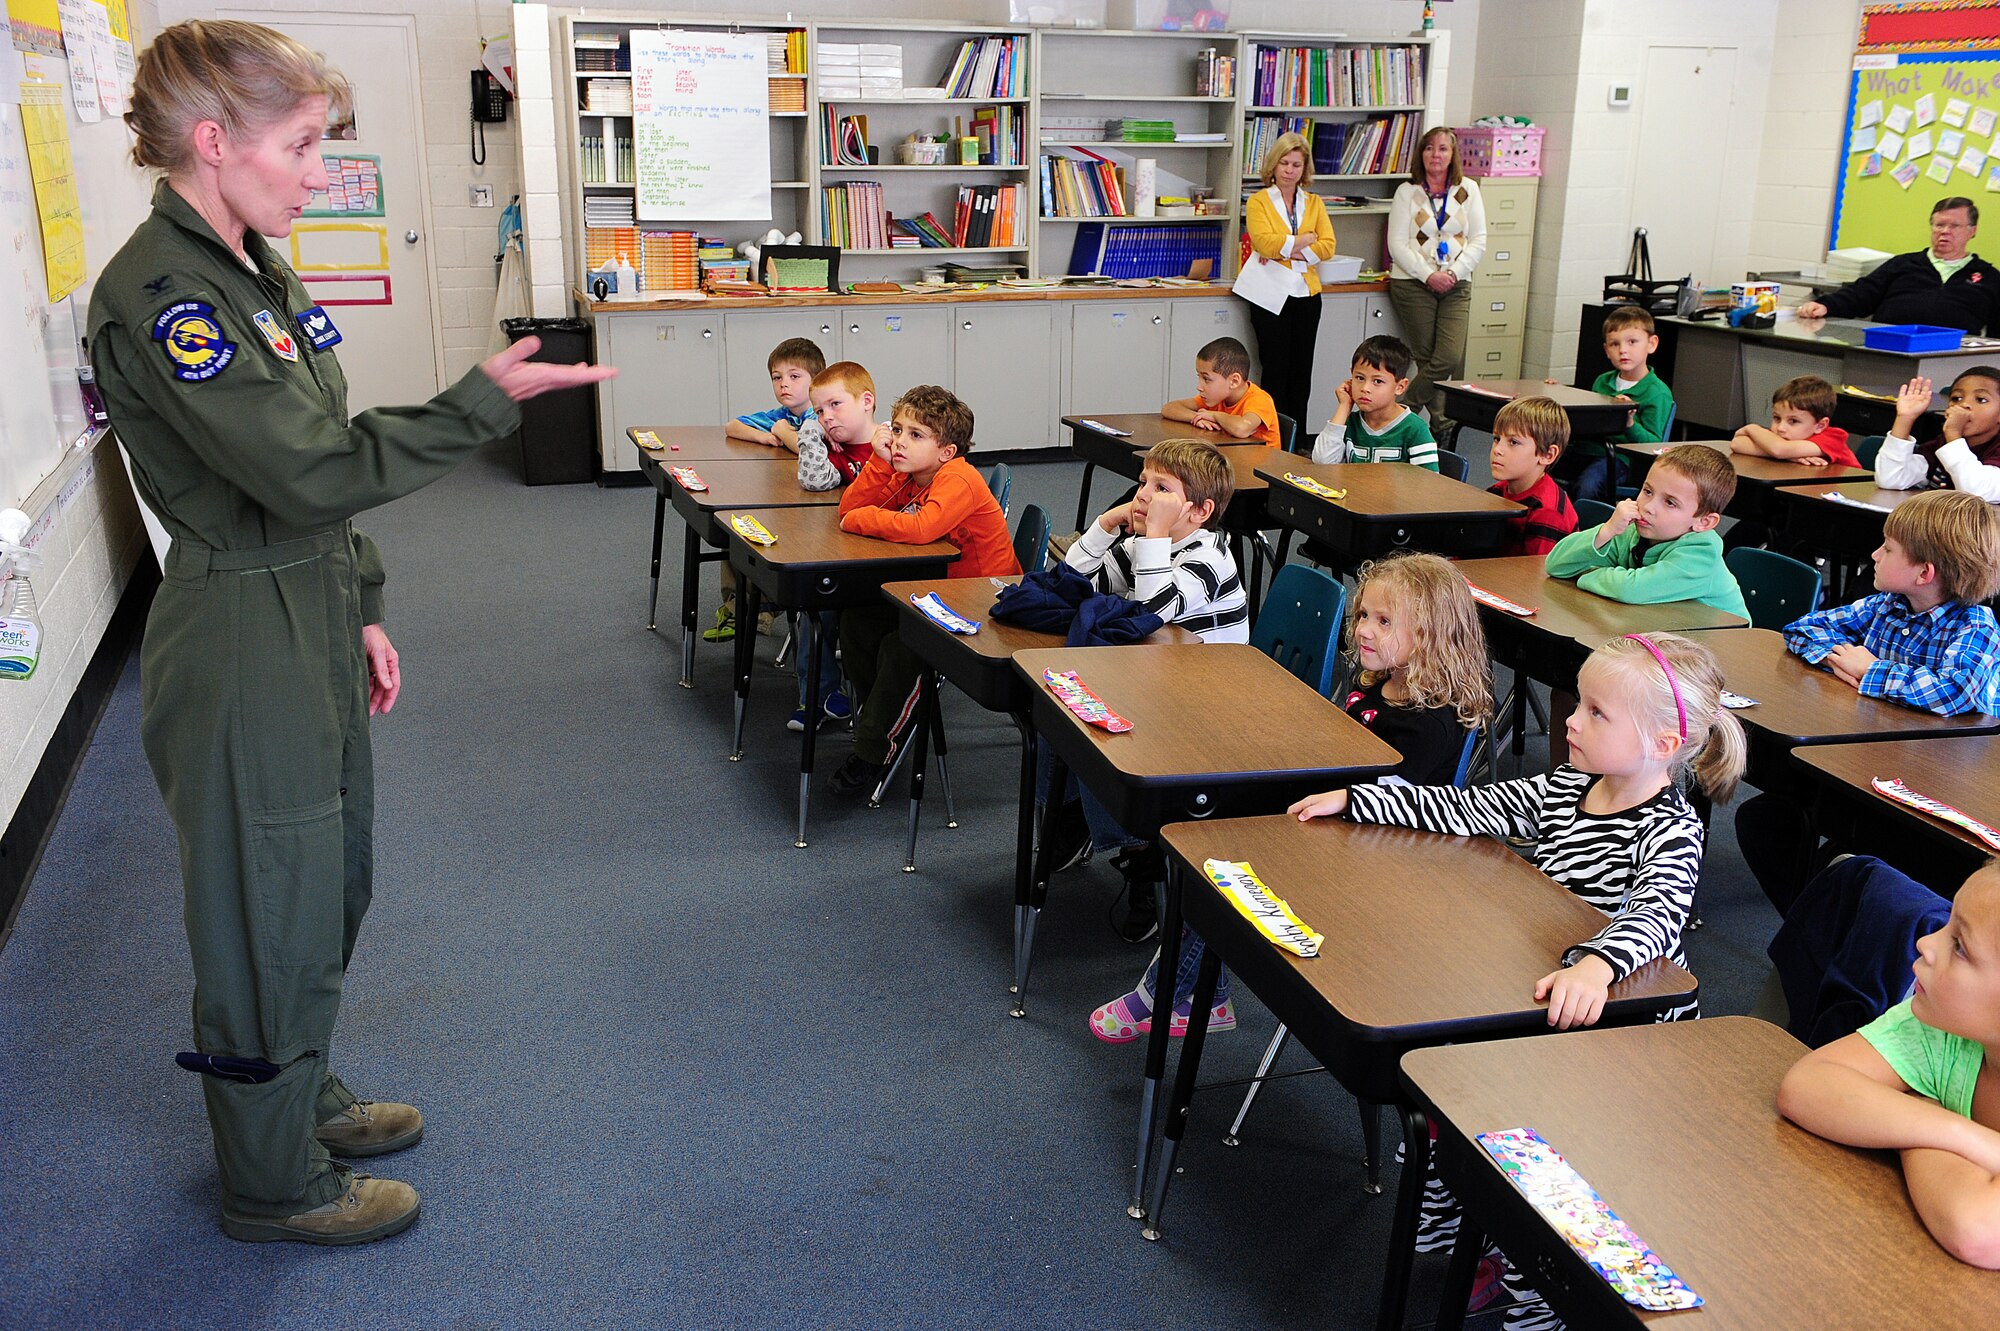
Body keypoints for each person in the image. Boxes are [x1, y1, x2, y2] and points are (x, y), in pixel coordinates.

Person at [86, 20, 614, 1245]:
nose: (320, 171)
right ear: (214, 143)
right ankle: (270, 1180)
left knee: (328, 878)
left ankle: (298, 1086)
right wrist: (482, 402)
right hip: (238, 629)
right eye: (303, 143)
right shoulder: (168, 295)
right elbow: (311, 467)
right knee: (266, 900)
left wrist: (362, 601)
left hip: (306, 599)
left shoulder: (252, 264)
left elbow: (307, 478)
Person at [1292, 632, 1743, 1326]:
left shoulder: (1671, 830)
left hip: (1619, 1036)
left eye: (1596, 713)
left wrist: (1597, 962)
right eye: (1579, 705)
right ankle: (1468, 1235)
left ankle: (1537, 1286)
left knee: (1545, 1166)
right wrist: (1362, 799)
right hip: (1537, 997)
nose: (1570, 721)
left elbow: (1656, 916)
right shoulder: (1571, 785)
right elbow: (1472, 810)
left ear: (1661, 742)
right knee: (1450, 1090)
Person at [1091, 553, 1491, 1043]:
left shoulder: (1432, 723)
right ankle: (1209, 997)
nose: (1364, 629)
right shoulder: (1381, 686)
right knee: (1203, 833)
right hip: (1332, 822)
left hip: (1379, 857)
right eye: (1364, 615)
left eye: (1385, 622)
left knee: (1223, 864)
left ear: (1432, 635)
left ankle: (1163, 993)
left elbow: (1389, 801)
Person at [1738, 491, 2000, 913]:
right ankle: (1816, 928)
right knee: (1762, 820)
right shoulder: (1887, 605)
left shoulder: (1975, 624)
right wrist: (1837, 657)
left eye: (1888, 548)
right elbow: (1803, 628)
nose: (1874, 554)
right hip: (1870, 758)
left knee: (1874, 864)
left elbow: (1956, 691)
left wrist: (1869, 671)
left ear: (1924, 572)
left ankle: (1834, 928)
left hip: (1940, 784)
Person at [1042, 437, 1249, 935]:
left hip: (1205, 708)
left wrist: (1152, 534)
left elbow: (1154, 611)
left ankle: (1142, 852)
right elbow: (1068, 586)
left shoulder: (1209, 558)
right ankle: (1073, 815)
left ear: (1199, 511)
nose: (1143, 495)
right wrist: (1103, 527)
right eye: (1142, 484)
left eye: (1161, 488)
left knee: (1100, 730)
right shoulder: (1143, 544)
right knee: (1058, 706)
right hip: (1154, 686)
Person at [1777, 859, 2000, 1269]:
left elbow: (1978, 1230)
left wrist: (1903, 1116)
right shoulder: (1943, 1027)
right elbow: (1806, 1085)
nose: (1926, 942)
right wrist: (1957, 1132)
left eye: (1959, 947)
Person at [832, 386, 1019, 795]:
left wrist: (864, 519)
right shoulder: (910, 473)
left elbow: (920, 528)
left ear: (946, 451)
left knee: (905, 647)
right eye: (897, 429)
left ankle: (875, 747)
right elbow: (849, 509)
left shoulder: (959, 478)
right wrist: (882, 466)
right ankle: (878, 722)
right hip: (936, 591)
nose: (898, 441)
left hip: (982, 602)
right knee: (857, 620)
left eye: (915, 435)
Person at [783, 360, 888, 731]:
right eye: (819, 411)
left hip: (890, 561)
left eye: (835, 405)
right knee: (811, 604)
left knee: (822, 605)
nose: (827, 417)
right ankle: (823, 696)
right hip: (851, 549)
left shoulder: (892, 445)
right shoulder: (836, 449)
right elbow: (814, 481)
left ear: (867, 401)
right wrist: (811, 432)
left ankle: (830, 695)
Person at [1543, 443, 1749, 621]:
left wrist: (1588, 574)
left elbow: (1630, 590)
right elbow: (1556, 565)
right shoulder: (1632, 530)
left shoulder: (1702, 553)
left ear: (1704, 522)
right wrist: (1607, 531)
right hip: (1666, 632)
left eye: (1670, 502)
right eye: (1647, 491)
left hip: (1723, 650)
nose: (1649, 506)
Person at [712, 337, 825, 642]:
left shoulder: (820, 415)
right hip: (788, 495)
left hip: (818, 506)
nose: (784, 385)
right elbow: (732, 426)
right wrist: (764, 437)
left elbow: (807, 450)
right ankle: (741, 609)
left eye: (794, 377)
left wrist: (781, 432)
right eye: (777, 378)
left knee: (763, 534)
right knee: (735, 523)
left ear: (816, 382)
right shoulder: (782, 414)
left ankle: (759, 610)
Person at [1386, 127, 1488, 451]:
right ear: (1421, 154)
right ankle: (1442, 431)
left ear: (1452, 154)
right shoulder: (1407, 192)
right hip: (1413, 283)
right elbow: (1397, 243)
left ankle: (1403, 410)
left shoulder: (1468, 189)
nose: (1436, 155)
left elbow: (1479, 239)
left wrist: (1454, 273)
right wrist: (1428, 275)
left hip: (1457, 283)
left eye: (1443, 149)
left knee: (1448, 356)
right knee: (1428, 356)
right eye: (1429, 149)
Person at [1242, 132, 1339, 439]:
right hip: (1270, 294)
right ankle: (1273, 438)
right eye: (1284, 163)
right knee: (1274, 371)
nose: (1289, 170)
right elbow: (1262, 242)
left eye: (1296, 164)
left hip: (1307, 294)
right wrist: (1302, 241)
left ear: (1304, 168)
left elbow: (1329, 245)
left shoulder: (1313, 203)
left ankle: (1296, 441)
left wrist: (1291, 247)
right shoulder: (1258, 202)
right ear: (1273, 164)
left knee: (1301, 373)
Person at [1797, 197, 2000, 334]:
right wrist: (1826, 305)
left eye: (1954, 226)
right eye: (1939, 225)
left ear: (1972, 231)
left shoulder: (1989, 276)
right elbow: (1862, 294)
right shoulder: (1903, 264)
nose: (1945, 231)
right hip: (1889, 346)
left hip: (1952, 357)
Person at [1556, 306, 1675, 505]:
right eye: (1614, 344)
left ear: (1651, 344)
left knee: (1588, 485)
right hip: (1586, 450)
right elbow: (1588, 422)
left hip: (1619, 459)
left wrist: (1629, 423)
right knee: (1535, 463)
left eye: (1632, 342)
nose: (1623, 350)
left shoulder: (1657, 392)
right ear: (1606, 350)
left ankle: (1583, 532)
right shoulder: (1602, 381)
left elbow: (1653, 445)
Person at [1310, 335, 1439, 469]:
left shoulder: (1415, 429)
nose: (1365, 388)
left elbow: (1428, 483)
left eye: (1378, 381)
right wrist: (1344, 407)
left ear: (1400, 387)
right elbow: (1321, 462)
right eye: (1359, 378)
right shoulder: (1349, 423)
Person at [1876, 368, 2000, 499]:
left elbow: (1976, 493)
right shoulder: (1940, 445)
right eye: (1956, 398)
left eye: (1981, 400)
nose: (1964, 404)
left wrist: (1953, 434)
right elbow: (1890, 479)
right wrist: (1905, 418)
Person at [1487, 396, 1578, 557]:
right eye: (1497, 439)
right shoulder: (1497, 492)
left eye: (1513, 442)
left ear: (1547, 455)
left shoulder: (1547, 511)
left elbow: (1537, 576)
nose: (1498, 449)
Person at [1161, 336, 1280, 446]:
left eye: (1206, 379)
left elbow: (1242, 428)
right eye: (1199, 377)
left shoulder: (1259, 400)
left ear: (1234, 381)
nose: (1199, 387)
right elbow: (1169, 408)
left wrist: (1215, 415)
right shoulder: (1217, 398)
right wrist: (1197, 418)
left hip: (1259, 466)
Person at [1728, 375, 1859, 468]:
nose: (1780, 428)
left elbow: (1779, 450)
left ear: (1820, 425)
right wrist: (1791, 456)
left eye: (1793, 421)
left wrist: (1750, 428)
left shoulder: (1833, 439)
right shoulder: (1782, 435)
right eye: (1777, 418)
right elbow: (1737, 443)